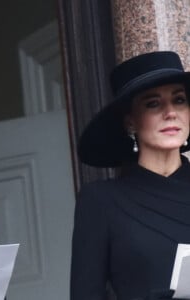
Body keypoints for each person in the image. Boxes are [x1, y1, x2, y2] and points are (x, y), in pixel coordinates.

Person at [70, 51, 190, 300]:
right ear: (130, 123)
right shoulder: (100, 201)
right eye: (153, 103)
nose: (170, 112)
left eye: (179, 100)